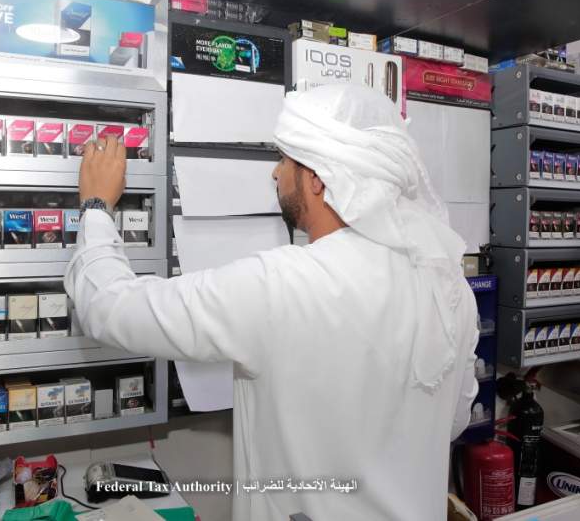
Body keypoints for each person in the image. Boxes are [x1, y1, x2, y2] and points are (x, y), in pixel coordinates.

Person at [64, 85, 479, 521]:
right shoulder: (450, 288)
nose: (275, 174)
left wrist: (96, 206)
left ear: (318, 178)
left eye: (284, 159)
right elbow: (453, 422)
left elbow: (108, 306)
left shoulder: (283, 285)